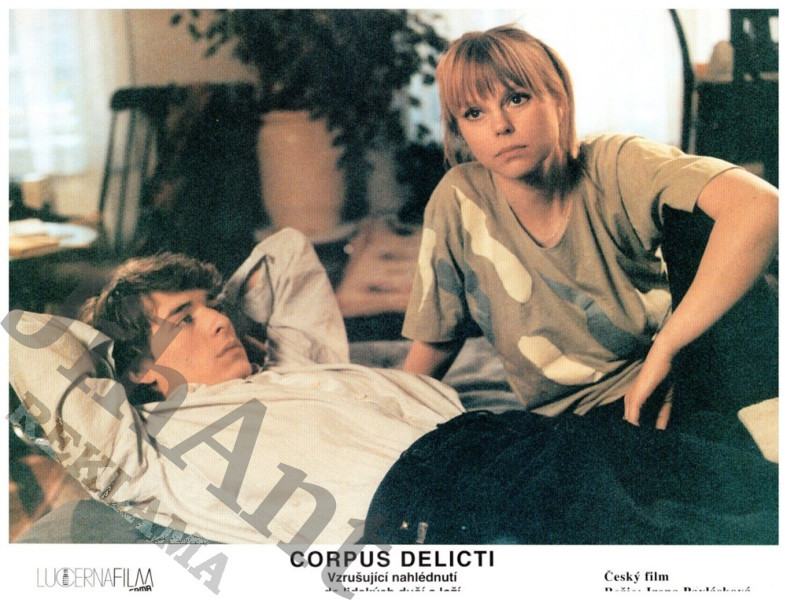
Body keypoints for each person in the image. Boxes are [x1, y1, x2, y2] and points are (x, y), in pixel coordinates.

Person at [400, 25, 778, 429]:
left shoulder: (616, 162)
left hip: (682, 376)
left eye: (517, 98)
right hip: (581, 425)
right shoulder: (459, 198)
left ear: (559, 100)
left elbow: (763, 205)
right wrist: (394, 414)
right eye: (474, 113)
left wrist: (667, 349)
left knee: (702, 218)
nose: (501, 125)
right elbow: (436, 337)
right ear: (460, 129)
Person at [8, 228, 464, 545]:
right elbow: (20, 335)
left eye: (215, 307)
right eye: (185, 318)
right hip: (434, 507)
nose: (219, 321)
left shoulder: (287, 368)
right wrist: (110, 354)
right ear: (141, 367)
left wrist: (222, 313)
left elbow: (287, 251)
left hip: (475, 439)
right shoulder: (151, 447)